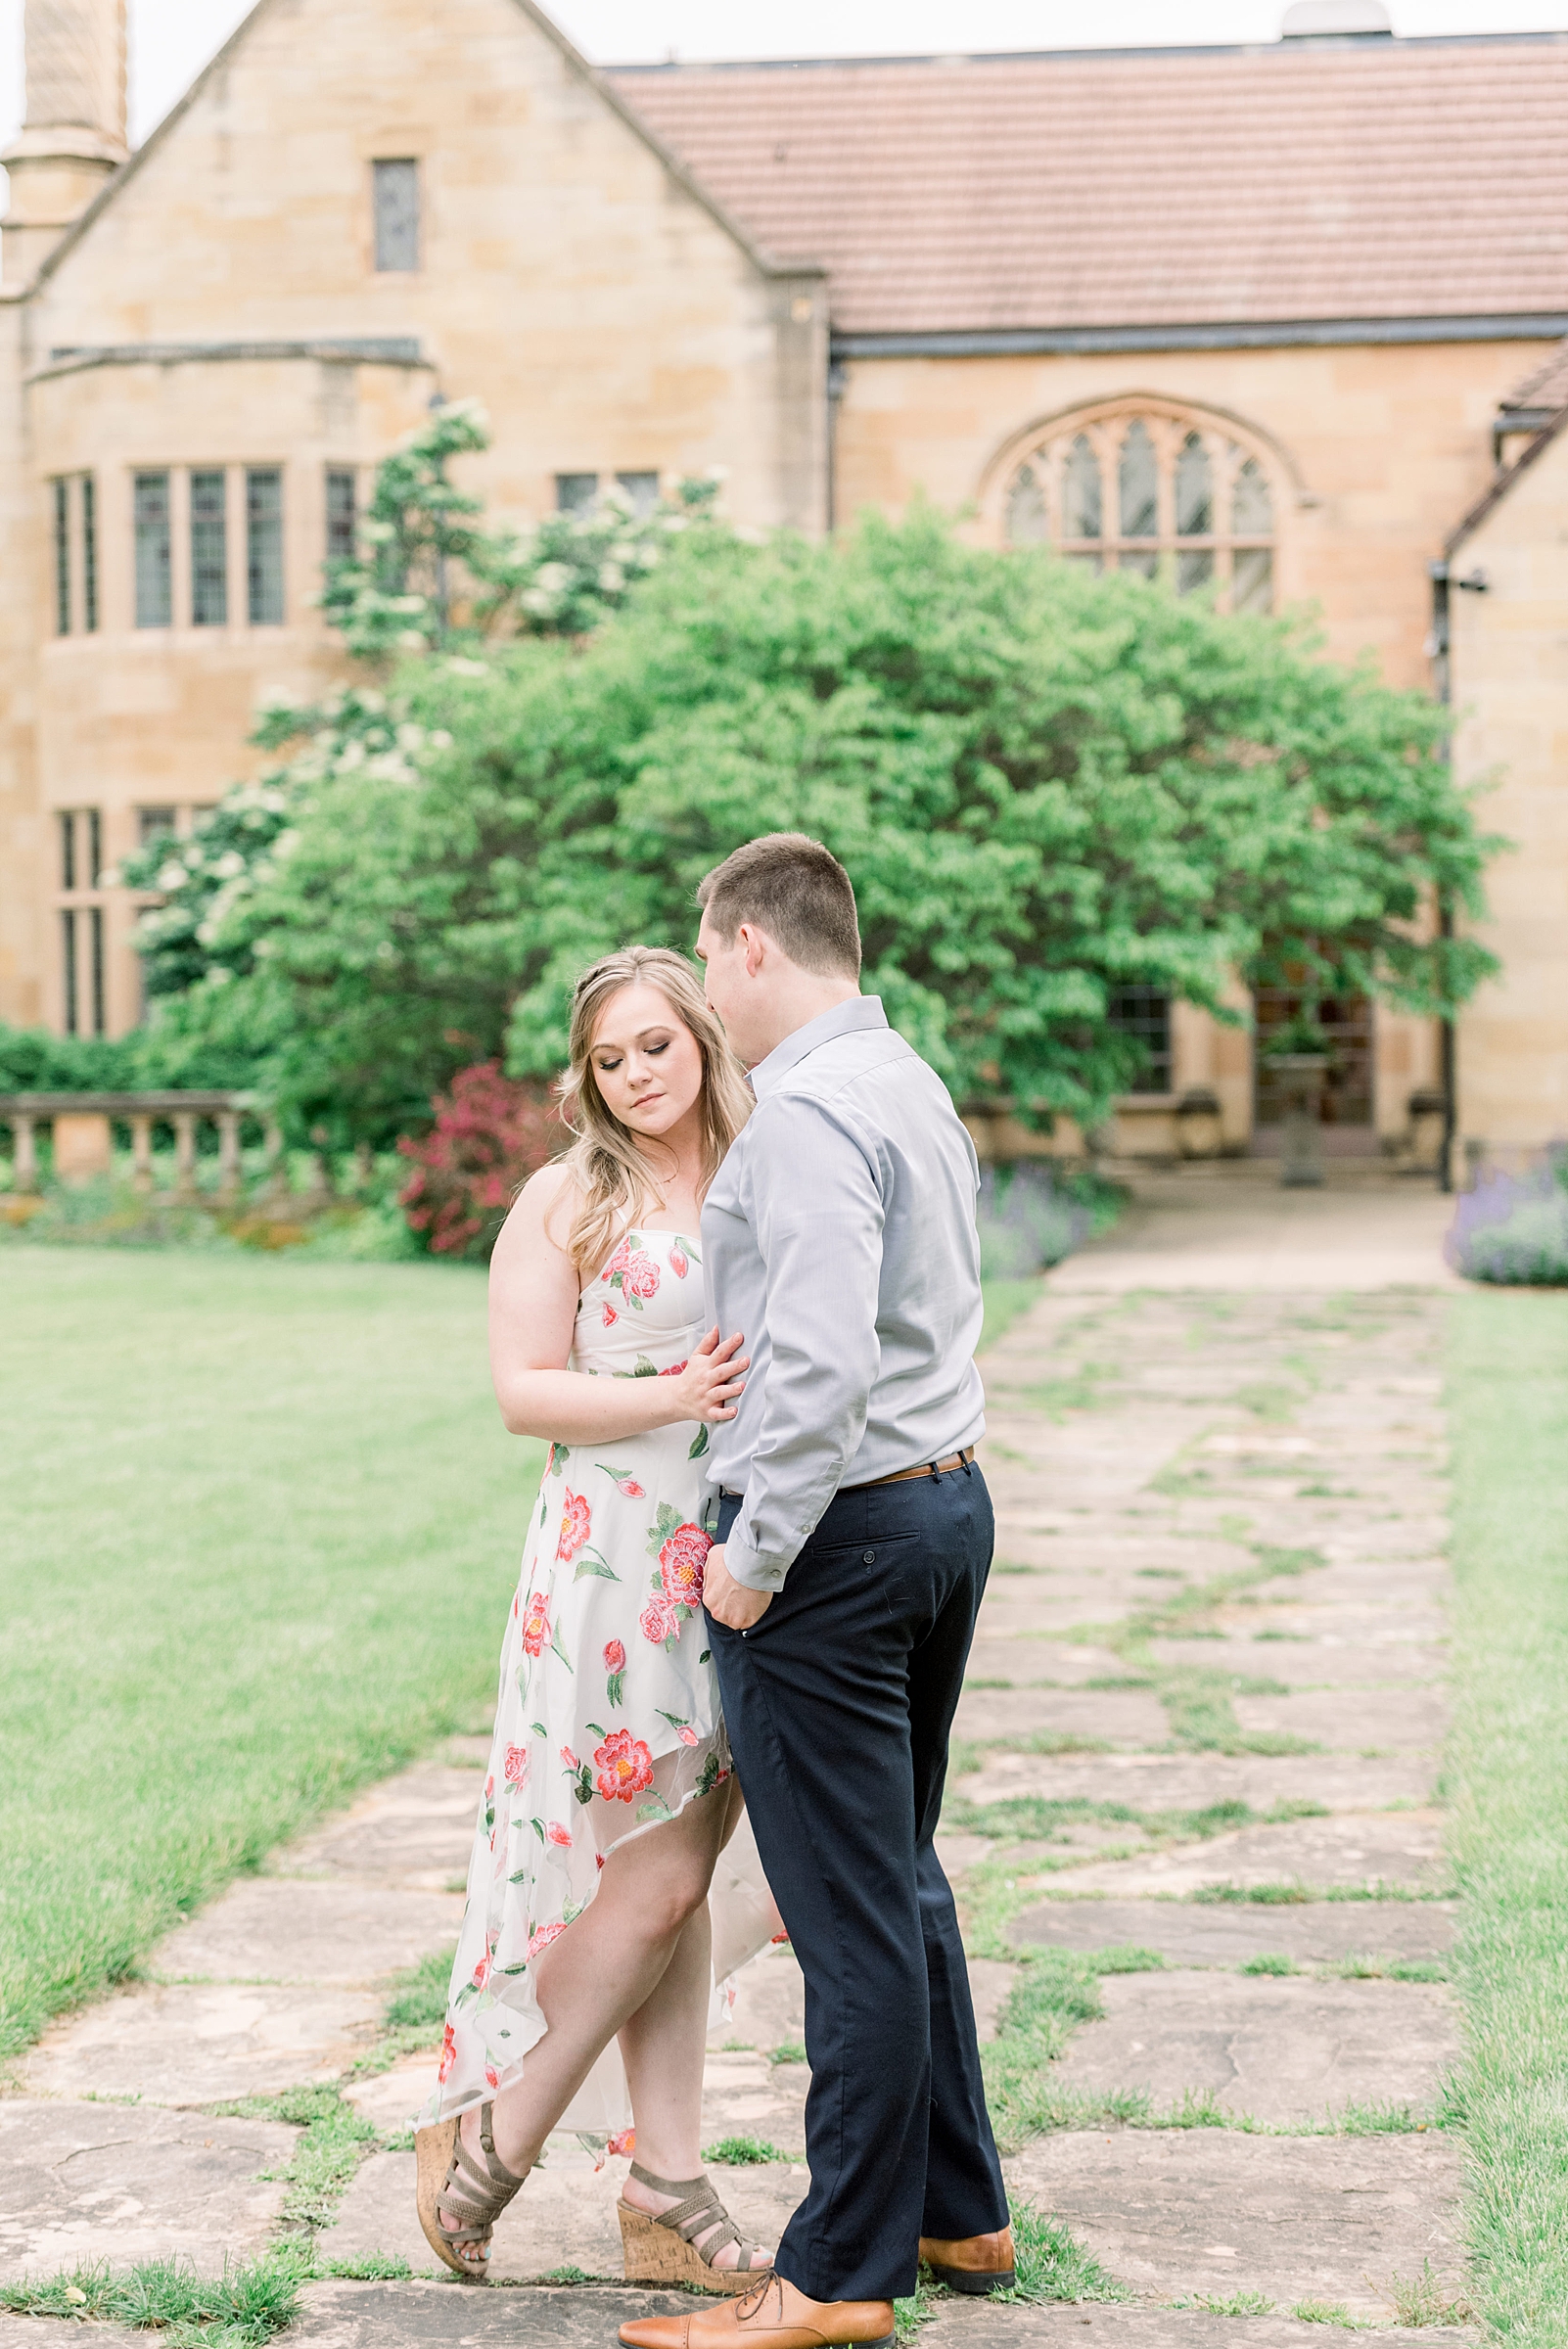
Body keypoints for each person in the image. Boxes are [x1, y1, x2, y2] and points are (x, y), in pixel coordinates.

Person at [621, 836, 1013, 2349]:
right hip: (940, 1508)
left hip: (834, 1546)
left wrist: (749, 1556)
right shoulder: (906, 1078)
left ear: (748, 948)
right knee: (897, 1876)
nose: (708, 987)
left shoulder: (798, 1117)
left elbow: (822, 1361)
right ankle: (951, 2208)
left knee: (844, 1914)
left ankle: (837, 2275)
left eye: (706, 960)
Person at [415, 944, 780, 2294]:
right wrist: (672, 1395)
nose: (632, 1075)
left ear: (702, 1039)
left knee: (679, 1881)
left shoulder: (761, 1169)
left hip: (737, 1556)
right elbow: (524, 1391)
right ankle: (493, 2151)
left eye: (653, 1047)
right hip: (614, 1563)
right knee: (655, 1873)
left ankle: (665, 2182)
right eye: (607, 1057)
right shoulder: (568, 1198)